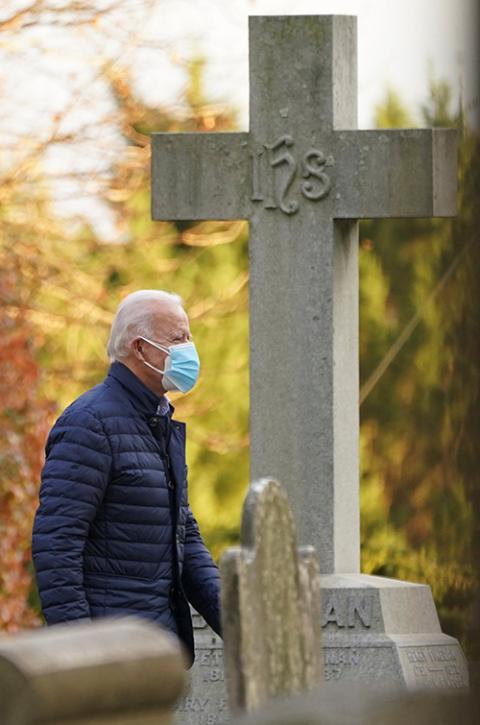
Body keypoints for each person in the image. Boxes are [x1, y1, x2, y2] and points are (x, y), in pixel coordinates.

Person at [32, 289, 221, 665]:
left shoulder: (156, 421)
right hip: (110, 654)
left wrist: (243, 624)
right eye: (178, 338)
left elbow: (183, 536)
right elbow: (57, 545)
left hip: (155, 648)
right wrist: (81, 654)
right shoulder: (90, 423)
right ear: (140, 348)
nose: (189, 348)